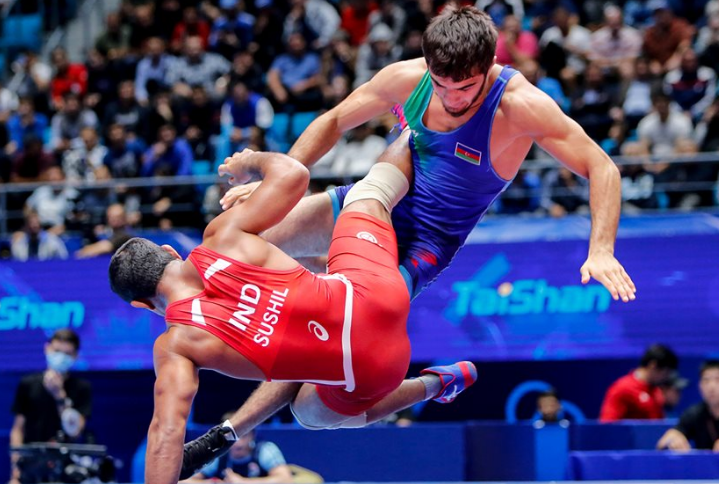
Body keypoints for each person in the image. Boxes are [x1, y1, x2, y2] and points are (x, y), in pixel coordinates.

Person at [192, 5, 636, 466]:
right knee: (228, 248)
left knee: (313, 412)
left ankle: (433, 383)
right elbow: (335, 120)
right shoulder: (410, 78)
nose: (450, 98)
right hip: (368, 202)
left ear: (488, 67)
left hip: (415, 250)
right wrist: (276, 182)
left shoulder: (519, 105)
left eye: (465, 88)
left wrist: (601, 249)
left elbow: (600, 165)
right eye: (440, 85)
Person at [108, 145, 477, 484]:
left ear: (141, 304)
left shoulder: (176, 346)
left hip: (377, 367)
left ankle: (436, 385)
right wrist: (247, 161)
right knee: (369, 192)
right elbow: (294, 174)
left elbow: (166, 433)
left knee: (310, 414)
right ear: (171, 252)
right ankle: (416, 130)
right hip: (378, 290)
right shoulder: (221, 235)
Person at [10, 329, 91, 484]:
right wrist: (15, 470)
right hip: (31, 465)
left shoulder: (82, 388)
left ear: (75, 356)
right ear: (47, 348)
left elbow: (75, 431)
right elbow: (18, 429)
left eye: (67, 353)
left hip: (67, 468)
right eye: (57, 351)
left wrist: (59, 396)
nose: (61, 357)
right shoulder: (28, 384)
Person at [183, 414, 293, 483]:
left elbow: (286, 480)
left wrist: (243, 482)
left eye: (243, 436)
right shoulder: (217, 452)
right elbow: (184, 481)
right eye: (232, 437)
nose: (238, 442)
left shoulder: (265, 450)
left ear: (252, 435)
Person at [599, 344, 679, 422]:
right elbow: (608, 425)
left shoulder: (657, 391)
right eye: (666, 372)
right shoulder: (622, 389)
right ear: (653, 365)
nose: (666, 377)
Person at [657, 360, 719, 451]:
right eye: (706, 380)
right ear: (700, 386)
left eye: (717, 380)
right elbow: (663, 442)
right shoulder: (695, 414)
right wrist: (672, 439)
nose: (711, 386)